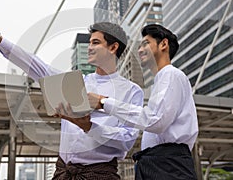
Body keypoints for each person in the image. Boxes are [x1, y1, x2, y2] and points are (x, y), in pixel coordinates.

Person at [0, 17, 144, 179]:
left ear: (113, 47)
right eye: (89, 42)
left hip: (100, 174)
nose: (89, 47)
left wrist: (88, 126)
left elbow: (126, 140)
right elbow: (34, 64)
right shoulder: (76, 81)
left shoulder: (131, 91)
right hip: (63, 172)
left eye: (95, 42)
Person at [84, 24, 199, 179]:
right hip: (157, 163)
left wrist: (104, 102)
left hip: (168, 164)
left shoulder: (171, 75)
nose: (139, 50)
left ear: (163, 44)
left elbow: (155, 120)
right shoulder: (161, 80)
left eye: (145, 44)